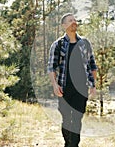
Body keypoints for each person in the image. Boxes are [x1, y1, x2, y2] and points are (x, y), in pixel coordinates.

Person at [48, 13, 97, 147]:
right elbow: (51, 67)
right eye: (70, 20)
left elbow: (92, 65)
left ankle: (73, 145)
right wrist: (54, 85)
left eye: (75, 20)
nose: (74, 22)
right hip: (64, 88)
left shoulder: (85, 43)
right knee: (66, 119)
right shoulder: (58, 45)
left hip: (81, 88)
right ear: (64, 25)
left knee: (77, 119)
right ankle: (67, 143)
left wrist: (93, 85)